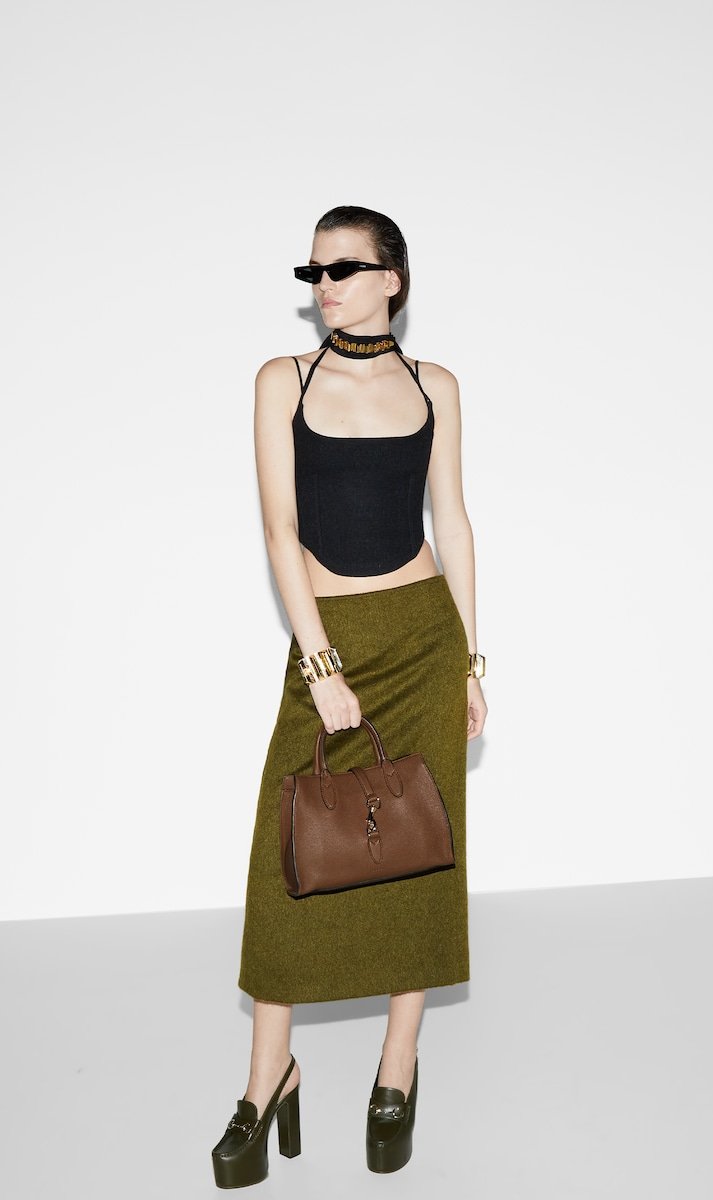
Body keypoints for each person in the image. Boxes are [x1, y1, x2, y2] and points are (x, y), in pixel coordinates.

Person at [211, 205, 487, 1189]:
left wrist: (470, 662)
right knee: (287, 859)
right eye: (314, 271)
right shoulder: (282, 381)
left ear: (391, 279)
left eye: (342, 268)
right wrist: (321, 664)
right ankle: (268, 1078)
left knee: (419, 850)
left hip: (423, 639)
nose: (323, 285)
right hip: (330, 640)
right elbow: (280, 534)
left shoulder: (435, 384)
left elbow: (453, 522)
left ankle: (397, 1068)